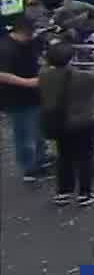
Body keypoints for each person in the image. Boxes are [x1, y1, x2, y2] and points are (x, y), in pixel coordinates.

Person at [45, 41, 94, 206]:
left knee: (64, 157)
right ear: (70, 59)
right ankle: (84, 193)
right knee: (85, 157)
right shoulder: (83, 77)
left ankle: (63, 192)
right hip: (84, 122)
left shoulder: (44, 75)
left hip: (59, 122)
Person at [1, 16, 49, 183]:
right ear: (23, 31)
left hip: (34, 95)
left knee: (38, 130)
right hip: (16, 99)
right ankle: (29, 168)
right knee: (24, 134)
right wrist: (27, 83)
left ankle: (41, 159)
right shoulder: (6, 49)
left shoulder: (28, 42)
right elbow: (2, 74)